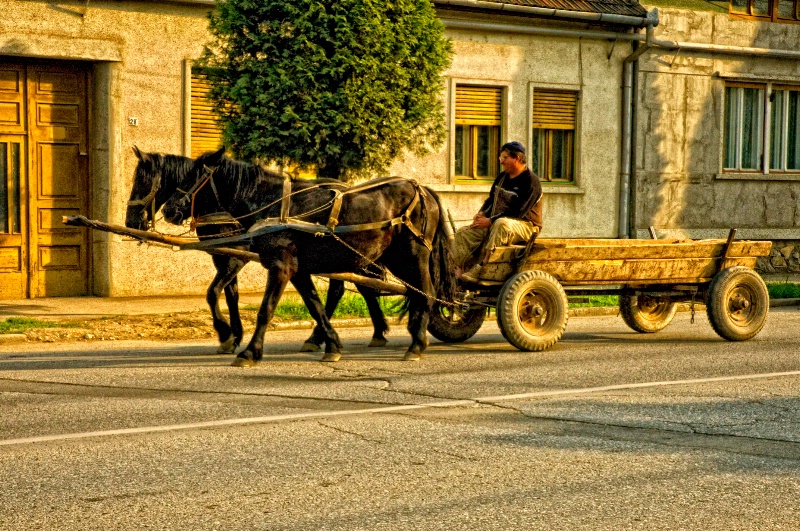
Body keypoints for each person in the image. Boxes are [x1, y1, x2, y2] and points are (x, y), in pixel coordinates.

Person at [453, 141, 543, 283]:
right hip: (496, 223)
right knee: (463, 233)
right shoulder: (502, 178)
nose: (501, 161)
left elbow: (518, 212)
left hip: (527, 226)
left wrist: (490, 221)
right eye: (500, 158)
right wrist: (482, 213)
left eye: (505, 158)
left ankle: (482, 267)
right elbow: (491, 200)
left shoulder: (531, 182)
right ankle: (458, 270)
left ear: (517, 158)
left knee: (501, 224)